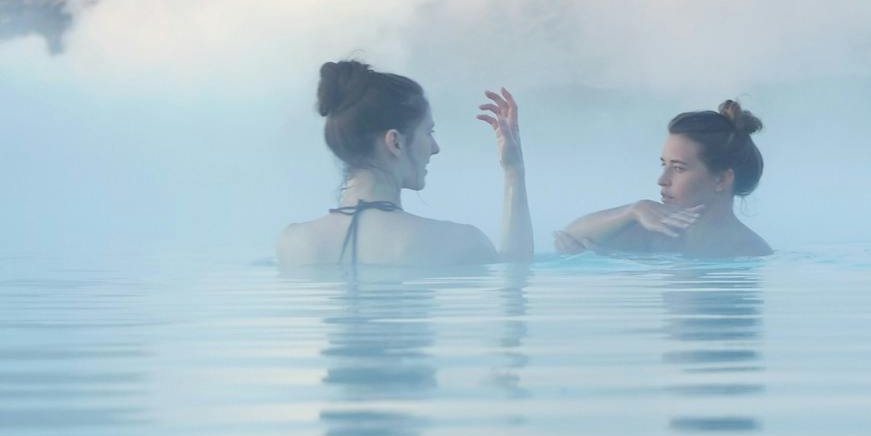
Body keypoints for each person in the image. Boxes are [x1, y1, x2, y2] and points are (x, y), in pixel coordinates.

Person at [276, 61, 532, 270]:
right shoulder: (456, 243)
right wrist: (514, 171)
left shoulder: (293, 243)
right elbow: (515, 281)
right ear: (395, 142)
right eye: (428, 132)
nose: (435, 147)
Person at [522, 94, 775, 259]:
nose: (662, 180)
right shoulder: (655, 235)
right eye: (663, 164)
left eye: (678, 168)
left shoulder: (749, 254)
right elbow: (568, 238)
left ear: (721, 180)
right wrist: (635, 209)